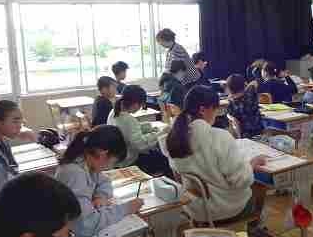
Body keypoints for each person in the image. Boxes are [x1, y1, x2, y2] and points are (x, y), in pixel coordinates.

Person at [162, 86, 266, 222]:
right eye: (215, 109)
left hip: (194, 208)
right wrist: (250, 165)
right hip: (223, 210)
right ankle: (253, 225)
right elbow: (240, 180)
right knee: (259, 185)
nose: (216, 114)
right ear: (203, 110)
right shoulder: (219, 137)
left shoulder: (174, 138)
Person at [55, 125, 142, 237]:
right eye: (113, 162)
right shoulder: (74, 173)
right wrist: (125, 209)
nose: (110, 167)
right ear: (103, 154)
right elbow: (86, 225)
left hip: (74, 230)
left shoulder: (86, 161)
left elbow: (104, 181)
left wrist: (100, 196)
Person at [108, 85, 171, 176]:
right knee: (164, 160)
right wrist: (160, 133)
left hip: (118, 158)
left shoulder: (114, 112)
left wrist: (149, 127)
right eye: (141, 105)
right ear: (136, 104)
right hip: (128, 160)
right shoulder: (128, 120)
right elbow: (140, 145)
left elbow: (128, 130)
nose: (140, 108)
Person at [226, 74, 263, 139]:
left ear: (229, 88)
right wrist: (247, 87)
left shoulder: (231, 104)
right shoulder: (250, 94)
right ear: (244, 85)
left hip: (243, 136)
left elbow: (234, 121)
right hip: (259, 132)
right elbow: (255, 82)